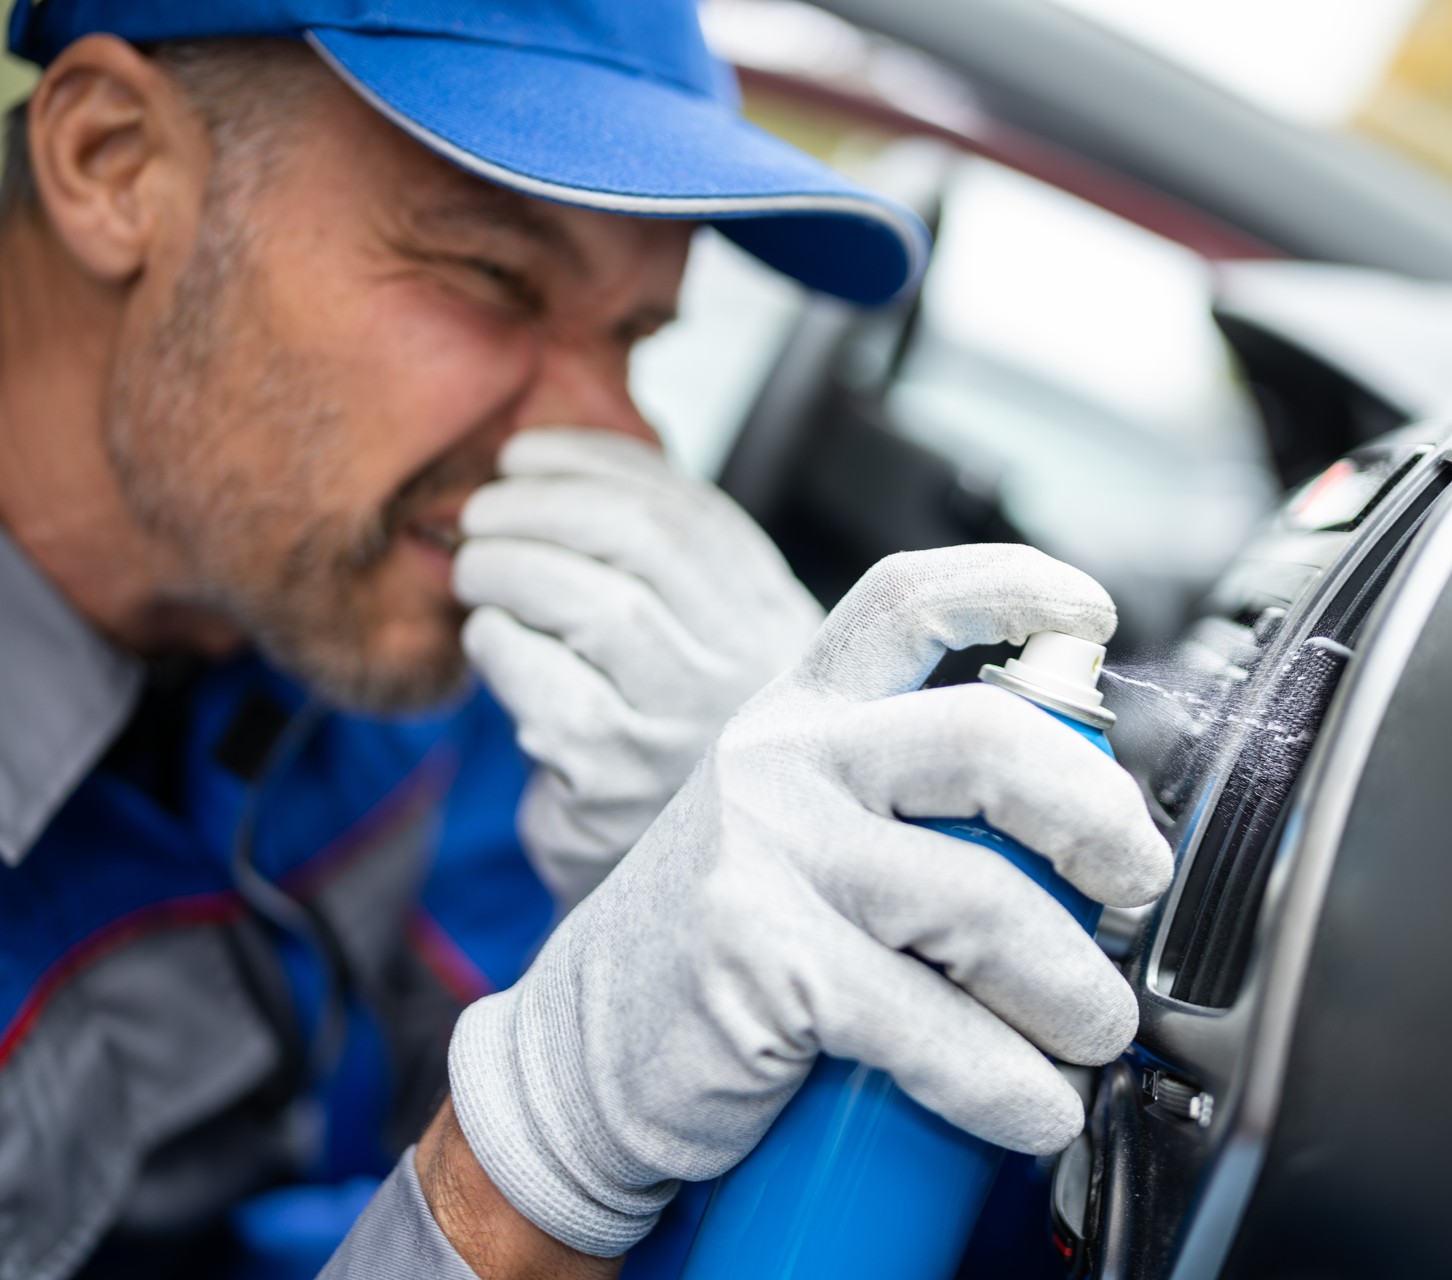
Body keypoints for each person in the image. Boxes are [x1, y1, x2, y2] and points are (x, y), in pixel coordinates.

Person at [0, 2, 1174, 1278]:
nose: (617, 442)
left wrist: (799, 914)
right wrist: (528, 1162)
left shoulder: (391, 659)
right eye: (493, 278)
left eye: (631, 337)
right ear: (116, 161)